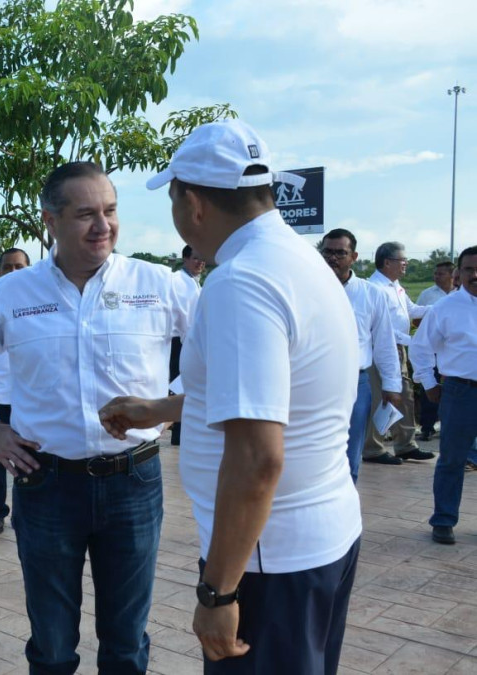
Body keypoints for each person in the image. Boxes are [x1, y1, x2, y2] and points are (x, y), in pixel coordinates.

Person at [103, 120, 362, 674]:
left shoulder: (241, 281)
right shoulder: (298, 261)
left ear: (193, 204)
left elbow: (257, 458)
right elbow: (275, 398)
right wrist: (160, 408)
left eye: (173, 200)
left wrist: (218, 592)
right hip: (320, 534)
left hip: (271, 557)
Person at [0, 161, 195, 673]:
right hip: (47, 484)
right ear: (50, 221)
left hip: (133, 482)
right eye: (85, 214)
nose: (103, 226)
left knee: (126, 641)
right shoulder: (13, 294)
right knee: (53, 645)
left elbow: (218, 353)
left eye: (110, 210)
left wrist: (168, 406)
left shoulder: (158, 284)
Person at [320, 229, 401, 483]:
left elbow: (385, 343)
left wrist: (391, 385)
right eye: (327, 252)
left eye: (340, 253)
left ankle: (346, 501)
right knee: (313, 451)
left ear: (353, 257)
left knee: (351, 451)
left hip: (355, 382)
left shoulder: (371, 294)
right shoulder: (306, 289)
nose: (333, 258)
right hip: (314, 380)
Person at [410, 246, 477, 546]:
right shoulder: (445, 308)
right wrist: (428, 383)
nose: (475, 275)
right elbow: (421, 347)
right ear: (458, 273)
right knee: (452, 459)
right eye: (469, 269)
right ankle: (444, 520)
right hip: (461, 392)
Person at [362, 242, 433, 465]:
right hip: (380, 351)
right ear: (387, 262)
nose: (406, 264)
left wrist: (443, 307)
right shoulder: (374, 288)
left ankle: (405, 445)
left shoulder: (396, 286)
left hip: (399, 349)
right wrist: (411, 340)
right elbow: (378, 327)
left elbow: (412, 311)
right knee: (380, 398)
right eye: (403, 260)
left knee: (404, 397)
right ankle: (372, 448)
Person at [0, 247, 30, 537]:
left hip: (30, 396)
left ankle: (28, 514)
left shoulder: (42, 301)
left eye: (19, 267)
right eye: (7, 267)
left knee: (30, 459)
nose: (13, 272)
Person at [169, 245, 205, 446]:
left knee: (184, 386)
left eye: (201, 259)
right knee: (180, 387)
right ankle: (178, 433)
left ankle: (182, 432)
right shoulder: (179, 281)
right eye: (195, 258)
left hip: (188, 340)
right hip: (180, 341)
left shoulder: (194, 282)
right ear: (185, 259)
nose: (200, 263)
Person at [415, 261, 455, 441]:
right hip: (433, 351)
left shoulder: (462, 295)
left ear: (452, 276)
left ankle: (449, 427)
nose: (436, 277)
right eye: (435, 273)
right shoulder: (427, 294)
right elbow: (416, 319)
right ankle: (427, 427)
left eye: (441, 274)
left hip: (453, 354)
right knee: (430, 388)